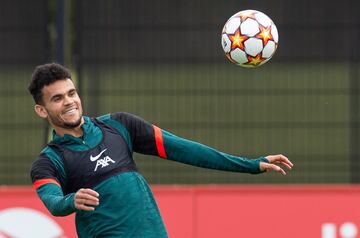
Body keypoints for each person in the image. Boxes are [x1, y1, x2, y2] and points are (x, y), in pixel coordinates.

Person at [28, 63, 293, 237]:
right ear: (42, 110)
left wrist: (249, 164)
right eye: (57, 98)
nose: (69, 102)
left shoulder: (119, 125)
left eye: (71, 93)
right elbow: (53, 202)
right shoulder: (49, 162)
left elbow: (185, 150)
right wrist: (70, 200)